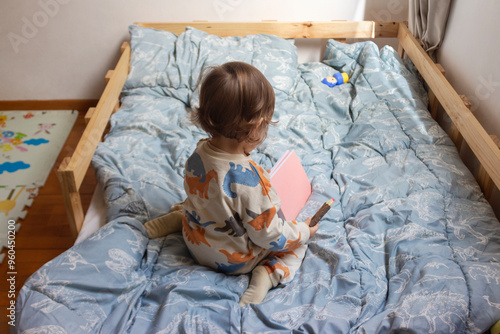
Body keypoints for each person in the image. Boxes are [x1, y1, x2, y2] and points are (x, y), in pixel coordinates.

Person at [145, 61, 318, 306]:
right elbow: (270, 237)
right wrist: (302, 231)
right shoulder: (253, 181)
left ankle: (179, 218)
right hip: (235, 261)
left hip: (194, 239)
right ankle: (267, 275)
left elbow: (213, 190)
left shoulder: (199, 152)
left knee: (201, 199)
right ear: (258, 125)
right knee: (296, 247)